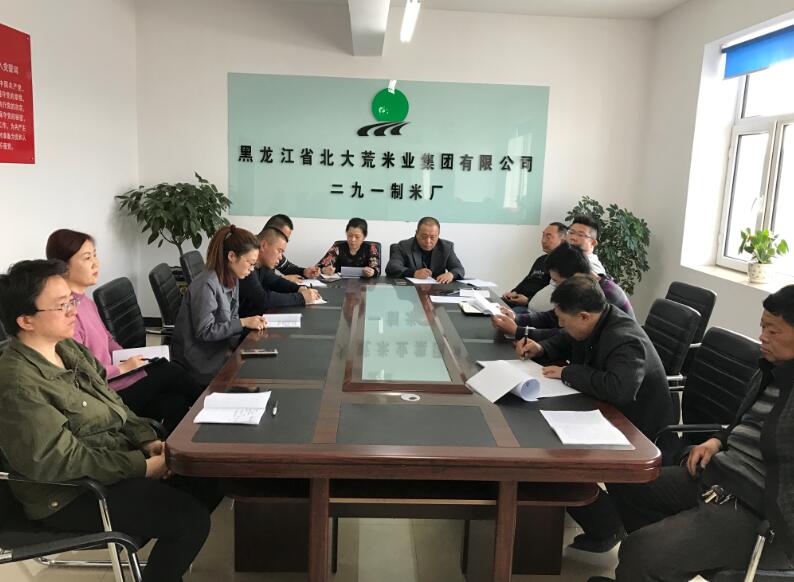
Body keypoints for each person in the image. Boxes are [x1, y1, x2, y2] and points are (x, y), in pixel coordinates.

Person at [0, 259, 223, 582]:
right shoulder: (19, 383)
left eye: (71, 301)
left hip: (110, 464)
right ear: (26, 321)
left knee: (211, 479)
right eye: (61, 306)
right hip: (70, 493)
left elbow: (113, 402)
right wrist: (140, 466)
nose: (73, 311)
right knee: (189, 520)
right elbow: (61, 461)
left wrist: (146, 439)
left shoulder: (68, 349)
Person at [589, 285, 794, 582]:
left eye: (773, 331)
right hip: (718, 476)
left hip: (755, 509)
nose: (762, 336)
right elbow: (748, 426)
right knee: (629, 483)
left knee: (642, 551)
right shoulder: (772, 372)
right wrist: (717, 441)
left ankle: (653, 563)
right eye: (762, 327)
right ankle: (659, 567)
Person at [517, 275, 675, 554]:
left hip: (635, 428)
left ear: (584, 316)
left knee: (553, 457)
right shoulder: (596, 322)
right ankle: (601, 520)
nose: (561, 325)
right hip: (605, 412)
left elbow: (619, 389)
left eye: (564, 319)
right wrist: (542, 347)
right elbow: (567, 338)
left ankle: (606, 524)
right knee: (542, 437)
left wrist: (568, 372)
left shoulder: (625, 339)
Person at [45, 229, 202, 434]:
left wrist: (124, 356)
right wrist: (121, 368)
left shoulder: (86, 302)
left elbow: (107, 339)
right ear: (63, 267)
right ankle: (216, 409)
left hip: (119, 377)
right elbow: (81, 372)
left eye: (95, 255)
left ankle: (181, 447)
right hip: (104, 391)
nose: (95, 263)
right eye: (87, 258)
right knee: (171, 371)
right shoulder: (67, 313)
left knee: (175, 402)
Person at [171, 225, 266, 385]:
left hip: (220, 351)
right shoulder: (206, 285)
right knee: (253, 380)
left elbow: (232, 315)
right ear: (231, 256)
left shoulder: (233, 277)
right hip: (199, 362)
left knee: (258, 368)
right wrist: (243, 323)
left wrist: (238, 346)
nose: (251, 270)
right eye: (249, 263)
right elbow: (205, 331)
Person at [492, 243, 633, 341]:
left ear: (575, 275)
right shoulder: (583, 287)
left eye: (557, 281)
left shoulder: (603, 294)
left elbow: (567, 334)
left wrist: (519, 331)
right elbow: (553, 317)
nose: (556, 286)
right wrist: (516, 318)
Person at [239, 226, 320, 317]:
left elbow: (275, 281)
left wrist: (298, 289)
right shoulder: (246, 266)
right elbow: (262, 299)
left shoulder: (263, 264)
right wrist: (301, 298)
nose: (281, 257)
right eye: (279, 251)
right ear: (264, 245)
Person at [502, 222, 567, 309]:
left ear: (563, 241)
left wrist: (528, 301)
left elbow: (550, 295)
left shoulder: (563, 264)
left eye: (548, 236)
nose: (543, 240)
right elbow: (527, 280)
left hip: (531, 307)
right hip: (517, 301)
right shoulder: (541, 259)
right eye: (543, 235)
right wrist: (514, 292)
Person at [385, 217, 464, 283]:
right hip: (410, 290)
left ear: (438, 235)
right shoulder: (404, 246)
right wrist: (414, 273)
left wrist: (451, 274)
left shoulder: (446, 247)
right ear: (417, 233)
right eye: (424, 237)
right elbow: (392, 267)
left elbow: (459, 268)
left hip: (437, 291)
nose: (428, 241)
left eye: (432, 237)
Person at [266, 214, 321, 283]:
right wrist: (281, 279)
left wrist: (304, 272)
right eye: (283, 237)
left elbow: (287, 267)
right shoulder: (253, 251)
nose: (285, 242)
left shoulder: (276, 252)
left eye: (287, 239)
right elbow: (258, 286)